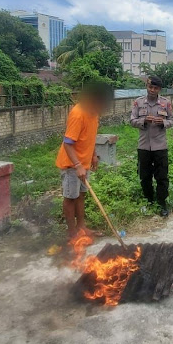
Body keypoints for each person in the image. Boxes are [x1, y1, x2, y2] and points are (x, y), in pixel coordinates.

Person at [55, 83, 108, 238]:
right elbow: (68, 143)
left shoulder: (94, 112)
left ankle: (82, 228)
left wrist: (93, 155)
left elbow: (89, 137)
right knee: (70, 197)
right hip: (72, 164)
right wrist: (77, 166)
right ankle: (72, 234)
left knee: (81, 195)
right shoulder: (78, 113)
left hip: (84, 162)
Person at [130, 76, 173, 217]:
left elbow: (172, 120)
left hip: (160, 146)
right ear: (147, 87)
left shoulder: (165, 103)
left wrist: (163, 123)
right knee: (145, 176)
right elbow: (132, 120)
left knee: (162, 176)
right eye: (150, 87)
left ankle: (162, 204)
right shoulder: (138, 102)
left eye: (155, 88)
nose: (152, 90)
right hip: (144, 146)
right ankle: (149, 201)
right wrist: (143, 120)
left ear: (159, 89)